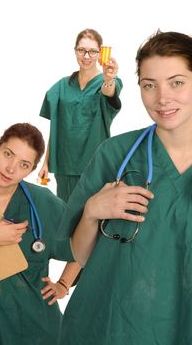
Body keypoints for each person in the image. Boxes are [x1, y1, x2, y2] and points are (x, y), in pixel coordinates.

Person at [58, 30, 192, 345]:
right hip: (117, 327)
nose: (162, 98)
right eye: (149, 85)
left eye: (177, 82)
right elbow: (78, 253)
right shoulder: (116, 155)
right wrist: (92, 212)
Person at [0, 123, 75, 345]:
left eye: (24, 164)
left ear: (31, 170)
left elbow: (84, 243)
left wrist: (63, 285)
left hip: (36, 330)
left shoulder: (44, 202)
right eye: (8, 154)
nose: (11, 168)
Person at [39, 28, 123, 203]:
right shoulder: (62, 86)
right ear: (75, 51)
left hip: (94, 164)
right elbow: (55, 127)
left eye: (92, 51)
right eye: (81, 50)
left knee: (91, 217)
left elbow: (110, 92)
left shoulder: (107, 82)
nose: (86, 56)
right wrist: (45, 162)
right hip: (64, 164)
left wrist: (108, 79)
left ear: (100, 54)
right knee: (65, 214)